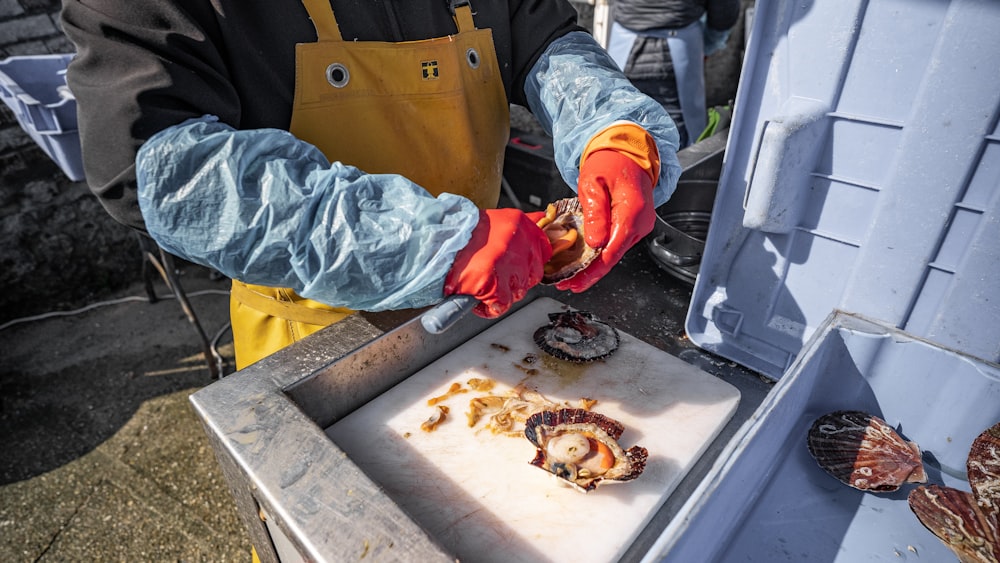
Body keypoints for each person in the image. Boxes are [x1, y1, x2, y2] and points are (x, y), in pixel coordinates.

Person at [60, 0, 682, 370]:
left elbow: (542, 38)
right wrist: (435, 243)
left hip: (490, 306)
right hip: (317, 338)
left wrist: (613, 129)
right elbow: (167, 172)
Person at [608, 0, 741, 147]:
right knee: (676, 141)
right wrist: (710, 42)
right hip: (678, 49)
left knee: (620, 131)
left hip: (622, 45)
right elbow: (724, 13)